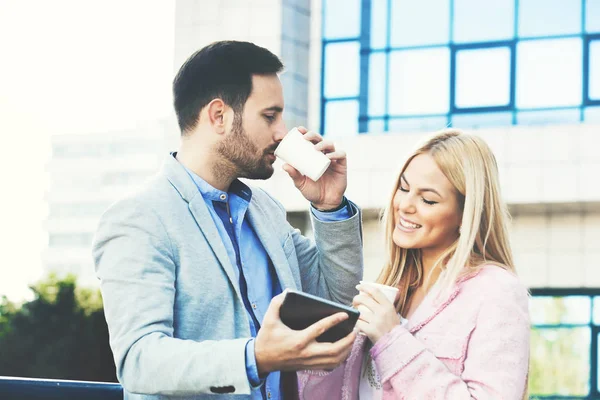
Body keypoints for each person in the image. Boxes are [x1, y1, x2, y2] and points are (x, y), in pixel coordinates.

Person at [92, 41, 363, 400]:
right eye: (270, 116)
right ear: (219, 115)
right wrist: (255, 358)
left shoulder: (265, 211)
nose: (283, 132)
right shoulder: (139, 217)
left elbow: (336, 300)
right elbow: (139, 360)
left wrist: (330, 207)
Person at [298, 129, 530, 399]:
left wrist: (390, 339)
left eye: (428, 199)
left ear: (465, 213)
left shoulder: (495, 292)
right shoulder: (392, 287)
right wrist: (323, 353)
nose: (404, 205)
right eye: (404, 188)